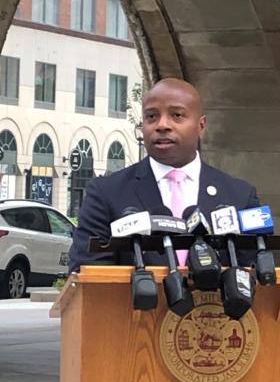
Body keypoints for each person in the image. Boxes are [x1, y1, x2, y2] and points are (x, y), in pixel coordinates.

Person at [67, 77, 260, 272]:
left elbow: (257, 277)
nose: (162, 125)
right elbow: (86, 275)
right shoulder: (105, 193)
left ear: (201, 126)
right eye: (151, 117)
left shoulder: (241, 197)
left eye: (176, 115)